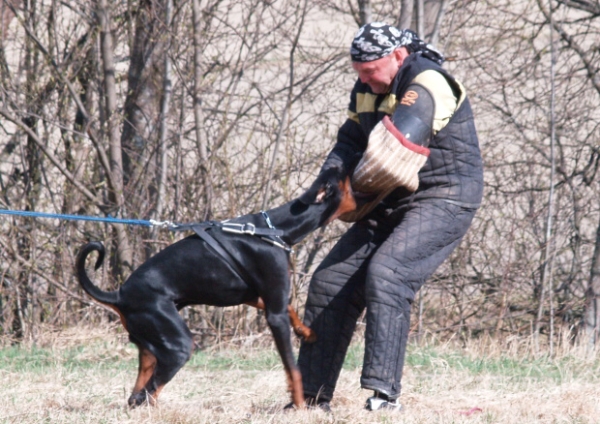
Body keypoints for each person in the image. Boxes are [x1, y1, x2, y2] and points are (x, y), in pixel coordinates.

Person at [296, 22, 484, 411]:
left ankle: (385, 397)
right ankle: (310, 400)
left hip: (443, 197)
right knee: (329, 282)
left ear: (398, 57)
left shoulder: (428, 81)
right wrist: (325, 183)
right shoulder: (367, 88)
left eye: (369, 70)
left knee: (389, 273)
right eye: (359, 72)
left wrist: (343, 201)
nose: (363, 79)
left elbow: (394, 153)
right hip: (393, 199)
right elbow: (349, 142)